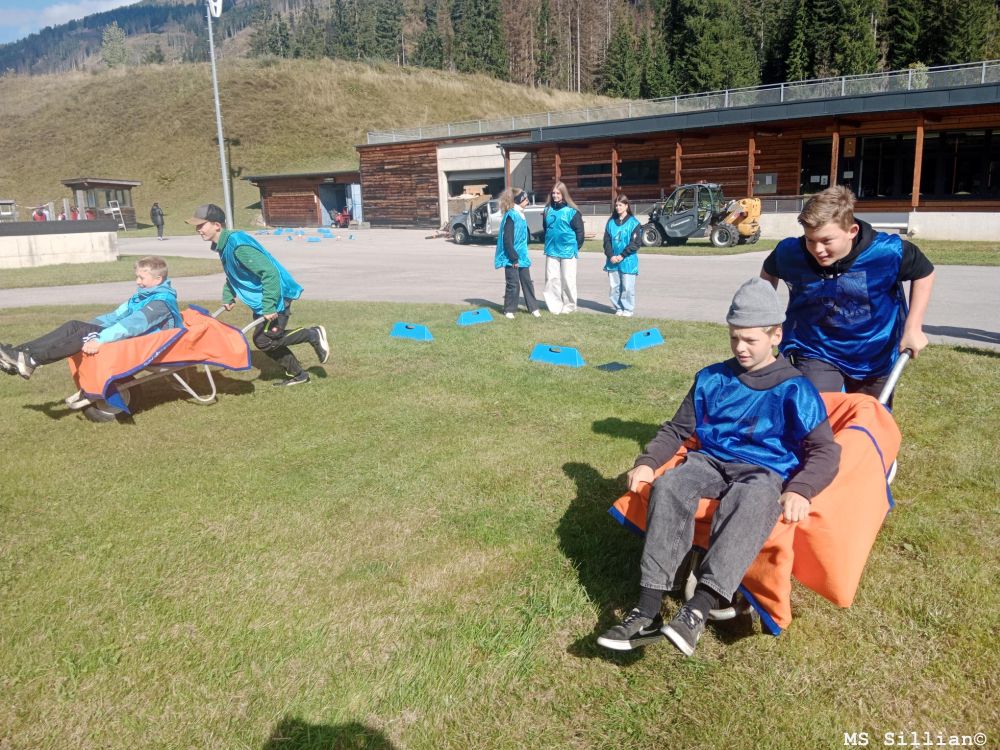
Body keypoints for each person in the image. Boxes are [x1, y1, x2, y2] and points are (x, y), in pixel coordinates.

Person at [596, 278, 841, 657]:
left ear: (776, 335)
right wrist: (648, 463)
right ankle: (647, 611)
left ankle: (699, 608)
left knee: (754, 498)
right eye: (733, 338)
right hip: (710, 461)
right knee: (670, 485)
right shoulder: (712, 378)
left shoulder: (796, 388)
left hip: (763, 470)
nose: (740, 348)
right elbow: (677, 429)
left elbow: (825, 450)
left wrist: (800, 489)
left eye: (750, 340)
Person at [760, 186, 935, 399]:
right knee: (818, 408)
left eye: (827, 241)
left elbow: (924, 272)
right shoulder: (791, 252)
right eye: (810, 240)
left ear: (852, 231)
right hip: (816, 347)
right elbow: (768, 273)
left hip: (873, 350)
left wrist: (913, 327)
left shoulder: (887, 252)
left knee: (868, 412)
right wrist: (764, 319)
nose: (817, 250)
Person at [186, 203, 329, 386]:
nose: (198, 230)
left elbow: (269, 273)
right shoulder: (223, 245)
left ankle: (312, 334)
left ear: (216, 225)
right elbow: (235, 273)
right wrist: (228, 295)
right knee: (265, 340)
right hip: (261, 298)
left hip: (276, 295)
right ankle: (300, 375)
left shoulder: (238, 246)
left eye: (201, 225)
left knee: (265, 339)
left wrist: (269, 305)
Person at [0, 256, 183, 380]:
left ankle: (32, 361)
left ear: (158, 279)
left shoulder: (160, 303)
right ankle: (20, 352)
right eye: (137, 277)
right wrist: (87, 326)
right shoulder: (143, 295)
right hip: (139, 340)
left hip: (150, 347)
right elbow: (116, 316)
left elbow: (131, 325)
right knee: (75, 326)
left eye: (141, 278)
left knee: (85, 334)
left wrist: (100, 339)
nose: (137, 282)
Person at [494, 188, 541, 319]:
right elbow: (507, 239)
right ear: (518, 200)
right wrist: (514, 258)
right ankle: (509, 309)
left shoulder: (521, 214)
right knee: (513, 284)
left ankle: (533, 308)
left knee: (527, 282)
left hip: (522, 256)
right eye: (524, 198)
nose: (527, 200)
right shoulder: (511, 215)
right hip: (512, 257)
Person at [541, 181, 584, 314]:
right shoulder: (547, 210)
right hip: (551, 250)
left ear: (563, 194)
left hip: (568, 251)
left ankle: (570, 306)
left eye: (558, 193)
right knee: (551, 279)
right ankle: (554, 306)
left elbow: (580, 232)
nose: (555, 195)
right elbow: (546, 228)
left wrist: (575, 247)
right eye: (553, 193)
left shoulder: (572, 212)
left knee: (568, 279)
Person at [603, 194, 642, 317]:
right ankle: (618, 307)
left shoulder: (634, 223)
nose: (618, 208)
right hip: (613, 261)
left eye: (620, 205)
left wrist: (622, 255)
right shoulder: (610, 223)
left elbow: (635, 243)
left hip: (628, 261)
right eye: (616, 205)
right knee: (614, 287)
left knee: (627, 287)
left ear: (626, 206)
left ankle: (628, 309)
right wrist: (611, 255)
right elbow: (606, 241)